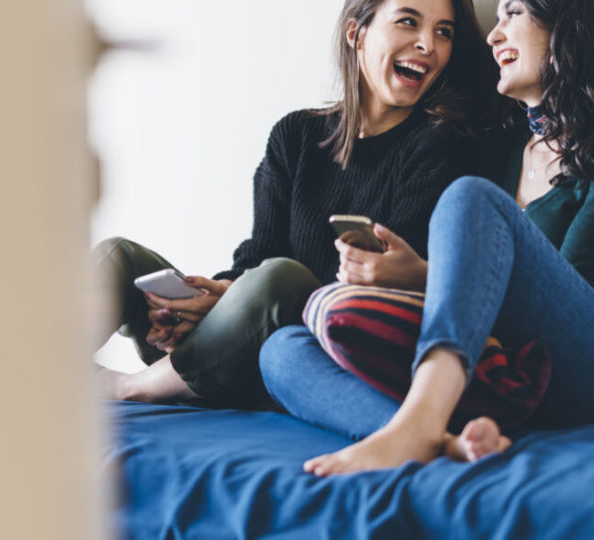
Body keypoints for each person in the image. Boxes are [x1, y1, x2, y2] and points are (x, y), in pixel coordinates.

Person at [260, 0, 594, 474]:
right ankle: (436, 439)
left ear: (567, 26)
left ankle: (421, 420)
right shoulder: (500, 146)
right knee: (281, 351)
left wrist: (422, 276)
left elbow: (570, 293)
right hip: (506, 377)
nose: (494, 34)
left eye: (512, 13)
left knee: (469, 196)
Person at [96, 0, 503, 410]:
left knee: (283, 278)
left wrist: (252, 295)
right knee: (120, 257)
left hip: (301, 355)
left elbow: (373, 291)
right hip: (236, 339)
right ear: (355, 34)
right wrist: (213, 298)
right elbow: (260, 253)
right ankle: (43, 369)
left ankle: (132, 387)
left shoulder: (438, 146)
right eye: (408, 22)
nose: (427, 45)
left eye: (443, 32)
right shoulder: (296, 135)